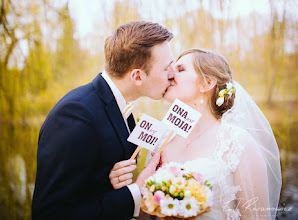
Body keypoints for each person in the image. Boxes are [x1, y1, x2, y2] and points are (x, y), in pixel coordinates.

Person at [32, 21, 175, 220]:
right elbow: (51, 213)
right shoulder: (76, 114)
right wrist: (136, 192)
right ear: (137, 76)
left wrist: (111, 184)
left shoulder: (118, 105)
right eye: (167, 68)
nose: (172, 75)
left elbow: (90, 183)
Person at [117, 48, 282, 220]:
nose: (169, 75)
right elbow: (144, 214)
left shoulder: (237, 143)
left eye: (180, 69)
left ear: (207, 83)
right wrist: (133, 188)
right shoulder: (161, 140)